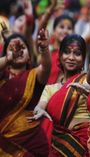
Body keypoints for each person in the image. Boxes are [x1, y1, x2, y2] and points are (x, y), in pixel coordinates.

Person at [31, 34, 90, 156]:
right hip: (56, 144)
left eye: (77, 53)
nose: (71, 57)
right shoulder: (50, 89)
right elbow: (40, 106)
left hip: (83, 145)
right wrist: (38, 110)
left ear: (84, 58)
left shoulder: (88, 81)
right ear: (60, 56)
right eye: (67, 52)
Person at [0, 28, 51, 156]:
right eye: (12, 48)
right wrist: (8, 59)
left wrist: (44, 48)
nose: (18, 51)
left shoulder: (34, 76)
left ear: (29, 55)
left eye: (22, 47)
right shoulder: (2, 76)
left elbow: (46, 66)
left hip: (29, 144)